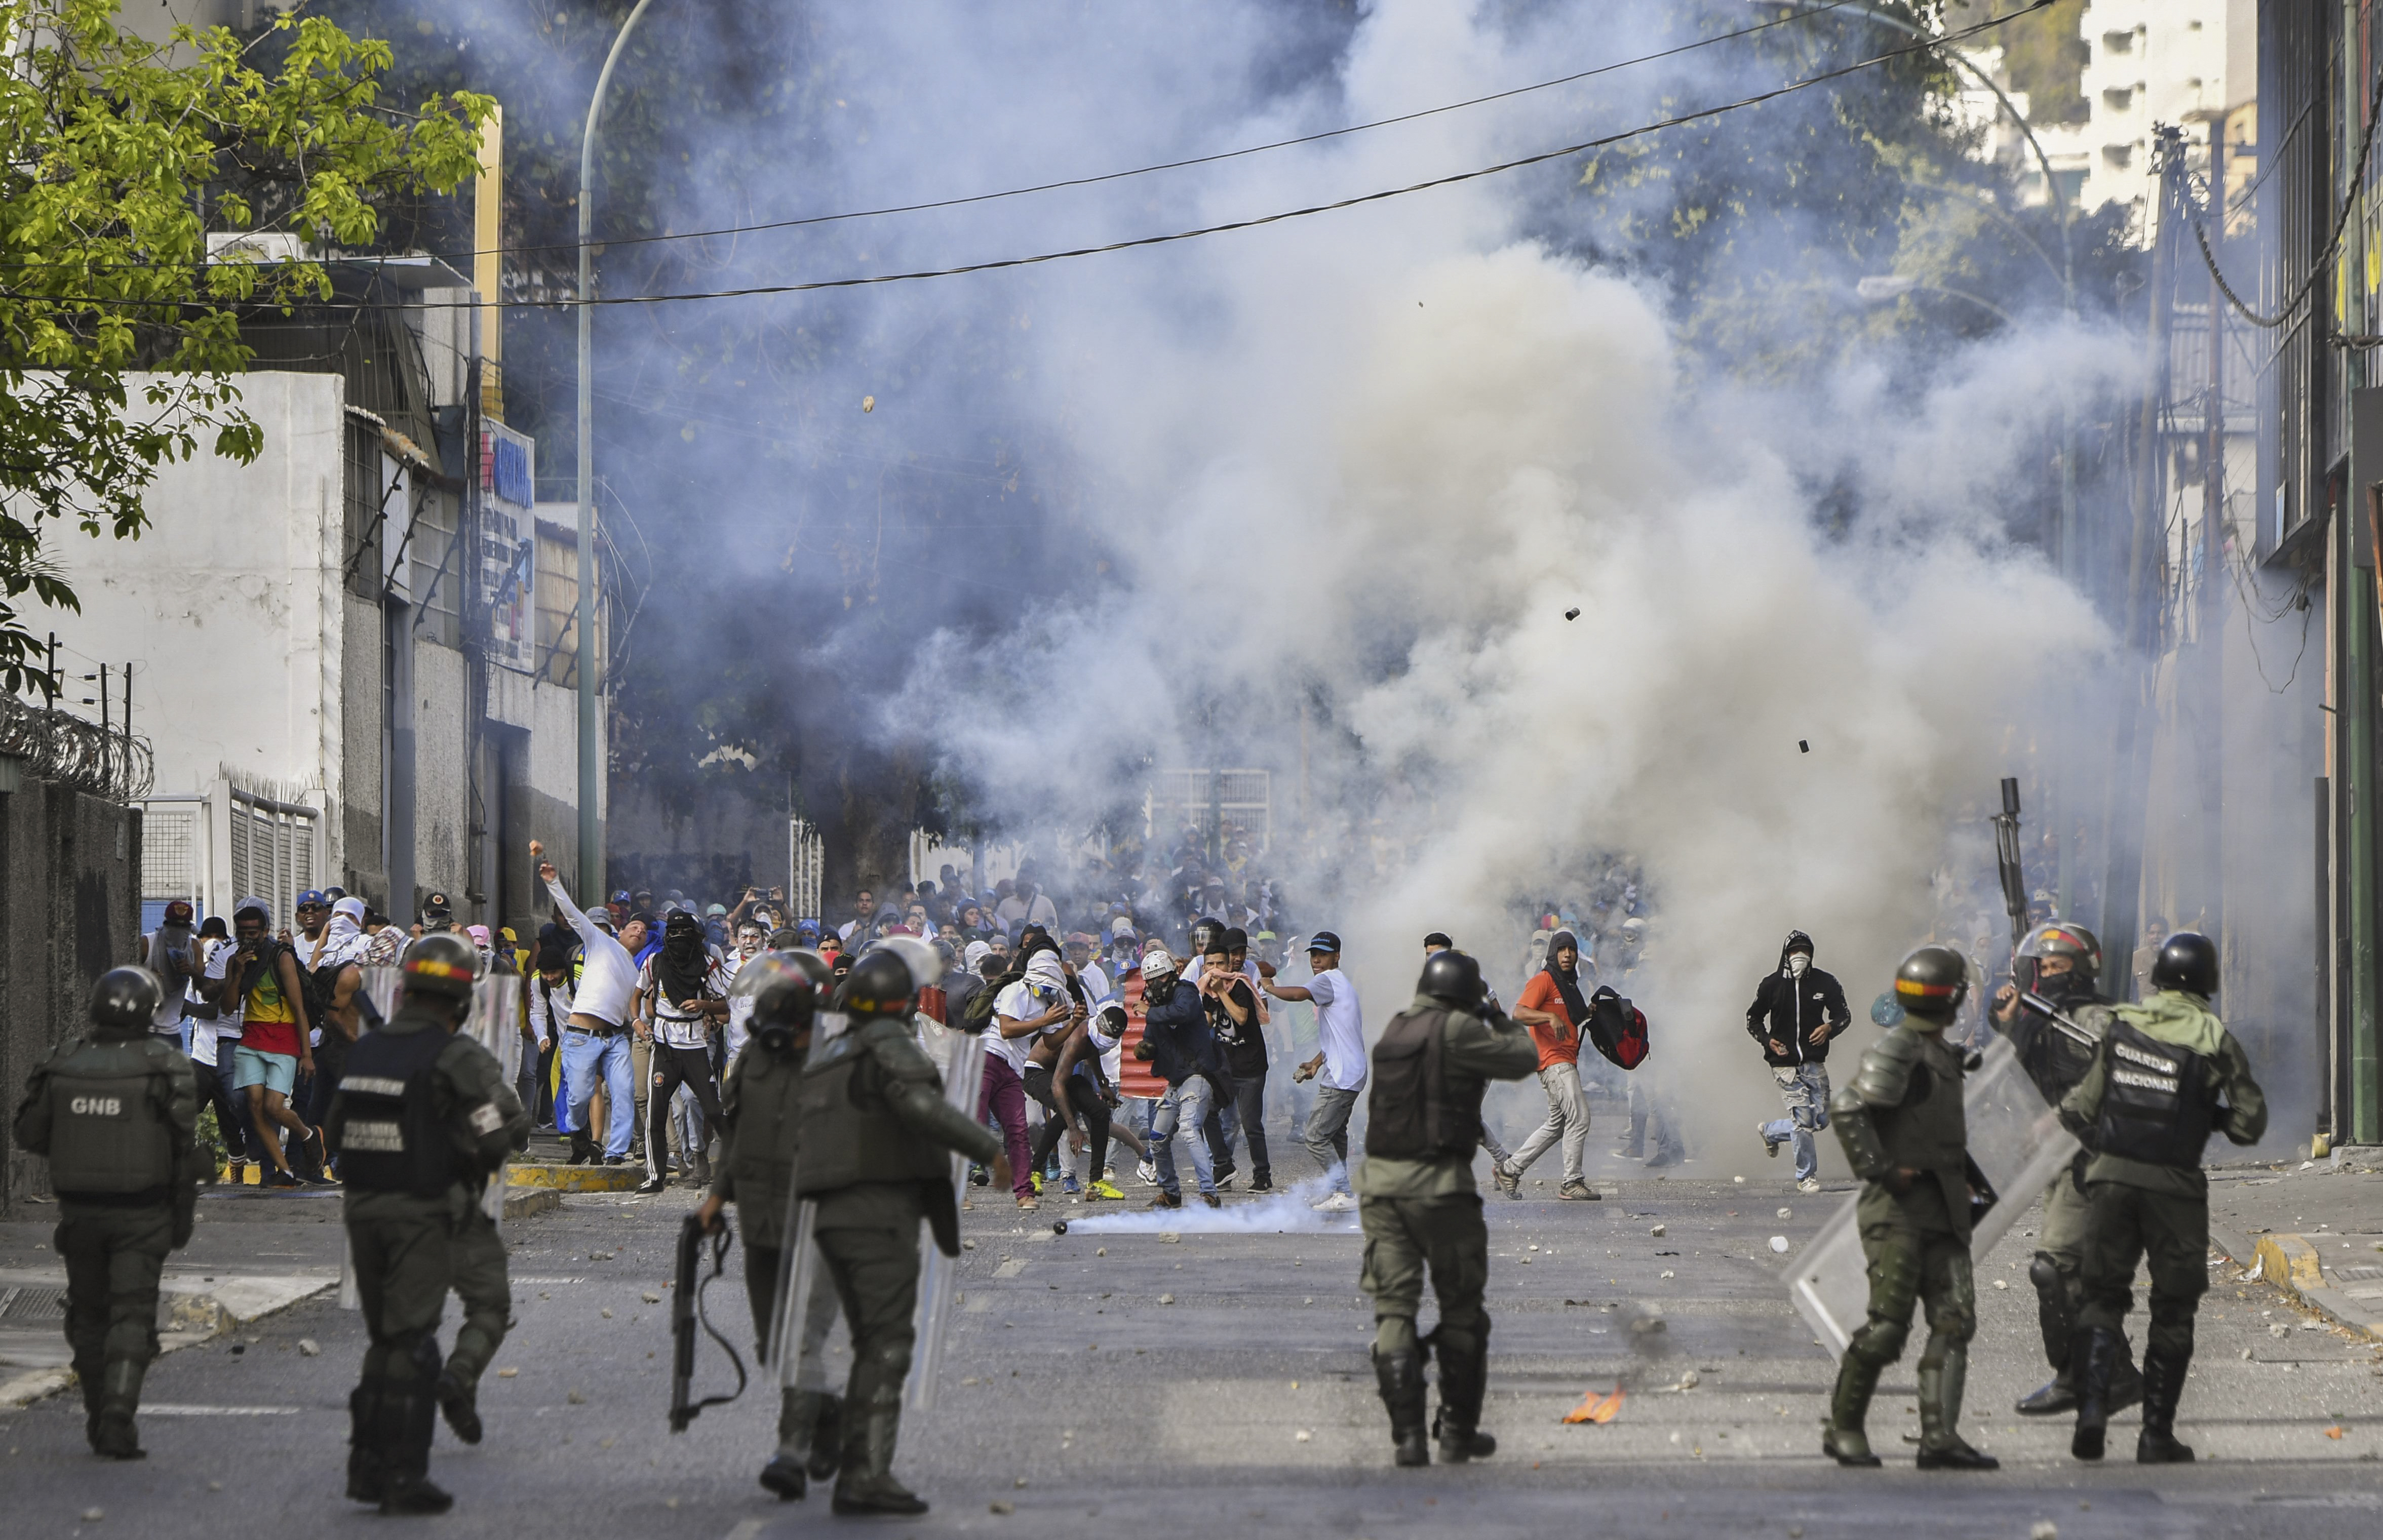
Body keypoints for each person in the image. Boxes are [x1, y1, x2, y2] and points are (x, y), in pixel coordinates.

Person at [792, 949, 1001, 1516]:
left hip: (826, 1218)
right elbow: (922, 1108)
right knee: (886, 1344)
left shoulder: (826, 1057)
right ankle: (865, 1474)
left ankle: (836, 1444)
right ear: (899, 1004)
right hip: (878, 1215)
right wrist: (988, 1148)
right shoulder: (891, 1047)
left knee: (859, 1338)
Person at [325, 934, 528, 1514]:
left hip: (363, 1208)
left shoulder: (367, 1049)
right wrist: (473, 1147)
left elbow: (334, 1130)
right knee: (413, 1344)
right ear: (461, 999)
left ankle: (367, 1465)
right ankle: (402, 1474)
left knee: (387, 1338)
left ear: (407, 987)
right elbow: (496, 1133)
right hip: (422, 1208)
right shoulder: (455, 1055)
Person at [2058, 931, 2266, 1464]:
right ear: (2209, 980)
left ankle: (2091, 1413)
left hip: (2110, 1180)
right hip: (2173, 1188)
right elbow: (2249, 1123)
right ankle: (2155, 1436)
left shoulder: (2121, 1023)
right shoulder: (2213, 1036)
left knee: (2101, 1297)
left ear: (2158, 977)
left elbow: (2082, 1107)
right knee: (2173, 1308)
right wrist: (2207, 1114)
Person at [1354, 949, 1537, 1466]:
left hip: (1381, 1188)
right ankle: (1456, 1431)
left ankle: (1408, 1437)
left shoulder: (1397, 1027)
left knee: (1394, 1309)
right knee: (1461, 1309)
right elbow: (1523, 1056)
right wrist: (1495, 1015)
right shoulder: (1458, 1027)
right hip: (1440, 1187)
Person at [1819, 944, 1995, 1471]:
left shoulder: (1937, 1051)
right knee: (1887, 1328)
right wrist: (1882, 1169)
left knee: (1954, 1320)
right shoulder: (1902, 1047)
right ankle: (1844, 1428)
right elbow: (1848, 1105)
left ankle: (1939, 1437)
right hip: (1898, 1212)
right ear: (1952, 998)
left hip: (1944, 1209)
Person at [11, 967, 198, 1458]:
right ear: (150, 1011)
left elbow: (29, 1134)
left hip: (80, 1214)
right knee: (131, 1313)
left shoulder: (62, 1062)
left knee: (89, 1314)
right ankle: (117, 1414)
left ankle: (98, 1413)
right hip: (143, 1213)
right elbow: (183, 1142)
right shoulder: (166, 1065)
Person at [695, 952, 847, 1499]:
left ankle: (791, 1449)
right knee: (772, 1345)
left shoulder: (844, 1063)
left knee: (798, 1339)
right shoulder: (754, 1057)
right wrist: (716, 1197)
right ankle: (827, 1414)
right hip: (760, 1219)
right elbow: (737, 1137)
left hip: (818, 1223)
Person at [1988, 921, 2142, 1417]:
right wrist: (2009, 1025)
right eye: (2045, 966)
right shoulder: (2037, 1019)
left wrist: (2061, 1115)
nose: (2051, 973)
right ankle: (2116, 1372)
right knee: (2075, 1275)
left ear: (2083, 969)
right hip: (2059, 1161)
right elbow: (2011, 1083)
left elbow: (2116, 1079)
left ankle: (2075, 1377)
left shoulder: (2097, 1019)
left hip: (2096, 1155)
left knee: (2053, 1267)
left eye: (2060, 965)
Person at [536, 840, 639, 1165]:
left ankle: (616, 1152)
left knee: (624, 1092)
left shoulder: (635, 971)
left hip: (615, 1038)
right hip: (581, 1036)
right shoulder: (600, 943)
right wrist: (553, 882)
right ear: (617, 931)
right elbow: (573, 914)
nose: (639, 930)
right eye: (634, 926)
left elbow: (630, 1009)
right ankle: (577, 1132)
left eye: (644, 930)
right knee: (579, 1096)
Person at [210, 898, 322, 1187]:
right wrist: (237, 974)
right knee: (255, 1105)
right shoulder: (236, 960)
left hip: (283, 1039)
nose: (248, 939)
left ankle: (308, 1134)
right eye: (242, 933)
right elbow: (227, 1007)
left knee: (274, 1107)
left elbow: (298, 1008)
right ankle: (284, 1172)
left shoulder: (280, 957)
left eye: (254, 933)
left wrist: (306, 1055)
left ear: (265, 931)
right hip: (251, 1040)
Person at [1262, 931, 1363, 1212]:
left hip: (1343, 1075)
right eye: (1314, 955)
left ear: (1337, 957)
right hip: (1348, 1071)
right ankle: (1337, 1190)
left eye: (1323, 955)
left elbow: (1297, 994)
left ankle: (1342, 1192)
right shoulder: (1341, 984)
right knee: (1335, 1135)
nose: (1316, 960)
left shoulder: (1328, 980)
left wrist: (1269, 986)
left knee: (1316, 1136)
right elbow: (1341, 1036)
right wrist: (1317, 1062)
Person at [1495, 928, 1597, 1201]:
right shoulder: (1544, 980)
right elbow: (1519, 1013)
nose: (1567, 955)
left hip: (1564, 1061)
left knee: (1557, 1125)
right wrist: (1549, 1018)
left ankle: (1509, 1170)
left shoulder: (1569, 985)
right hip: (1554, 1062)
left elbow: (1571, 1016)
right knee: (1580, 1118)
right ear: (1554, 953)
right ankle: (1572, 1182)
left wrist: (1588, 1012)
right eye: (1562, 950)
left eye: (1571, 950)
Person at [1746, 930, 1851, 1195]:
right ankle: (1806, 1177)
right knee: (1803, 1121)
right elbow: (1753, 1019)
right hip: (1784, 1064)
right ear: (1786, 954)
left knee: (1821, 1119)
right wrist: (1767, 1040)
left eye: (1805, 950)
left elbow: (1844, 1015)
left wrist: (1829, 1028)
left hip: (1814, 1061)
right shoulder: (1771, 985)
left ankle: (1770, 1132)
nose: (1800, 956)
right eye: (1794, 951)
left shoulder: (1826, 982)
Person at [635, 911, 729, 1193]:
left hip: (695, 1046)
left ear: (694, 936)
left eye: (684, 932)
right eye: (673, 932)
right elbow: (636, 995)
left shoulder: (707, 964)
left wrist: (703, 1006)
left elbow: (724, 1004)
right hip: (664, 1047)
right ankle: (655, 1177)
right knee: (656, 1111)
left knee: (714, 1109)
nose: (678, 938)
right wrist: (637, 1021)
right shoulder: (655, 962)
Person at [1137, 944, 1226, 1209]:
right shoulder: (1155, 1006)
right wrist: (1145, 1049)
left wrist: (1150, 1012)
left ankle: (1210, 1194)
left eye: (1160, 978)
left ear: (1171, 975)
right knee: (1157, 1139)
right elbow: (1151, 1038)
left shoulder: (1186, 992)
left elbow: (1183, 1013)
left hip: (1198, 1077)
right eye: (1151, 981)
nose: (1155, 985)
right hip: (1175, 1083)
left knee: (1189, 1130)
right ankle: (1171, 1193)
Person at [1204, 930, 1272, 1193]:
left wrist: (1221, 992)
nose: (1238, 958)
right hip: (1225, 1068)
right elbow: (1207, 1021)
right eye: (1233, 954)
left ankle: (1263, 1176)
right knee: (1208, 1112)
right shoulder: (1210, 986)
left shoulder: (1241, 985)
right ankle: (1223, 1166)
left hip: (1251, 1067)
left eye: (1241, 953)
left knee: (1251, 1124)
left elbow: (1241, 1018)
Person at [143, 899, 202, 1052]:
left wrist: (192, 972)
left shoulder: (194, 948)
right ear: (165, 925)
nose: (178, 932)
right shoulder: (147, 945)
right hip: (144, 1031)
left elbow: (205, 989)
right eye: (174, 926)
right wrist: (148, 979)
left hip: (172, 1032)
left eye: (183, 928)